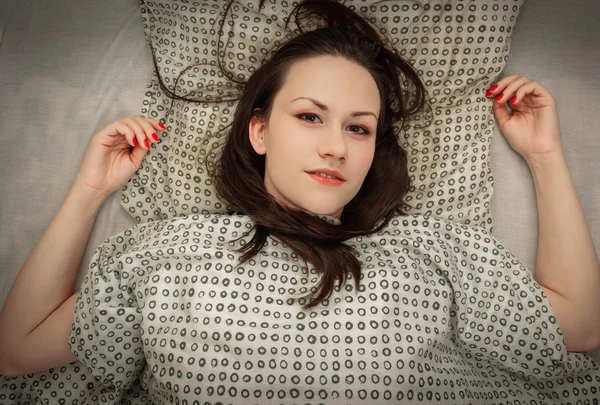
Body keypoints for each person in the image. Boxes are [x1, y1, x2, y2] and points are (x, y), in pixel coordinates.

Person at [1, 0, 599, 403]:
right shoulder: (163, 250)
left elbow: (578, 324)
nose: (335, 146)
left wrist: (544, 157)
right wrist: (90, 191)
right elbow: (17, 350)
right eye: (310, 116)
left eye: (359, 128)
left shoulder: (430, 247)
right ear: (260, 131)